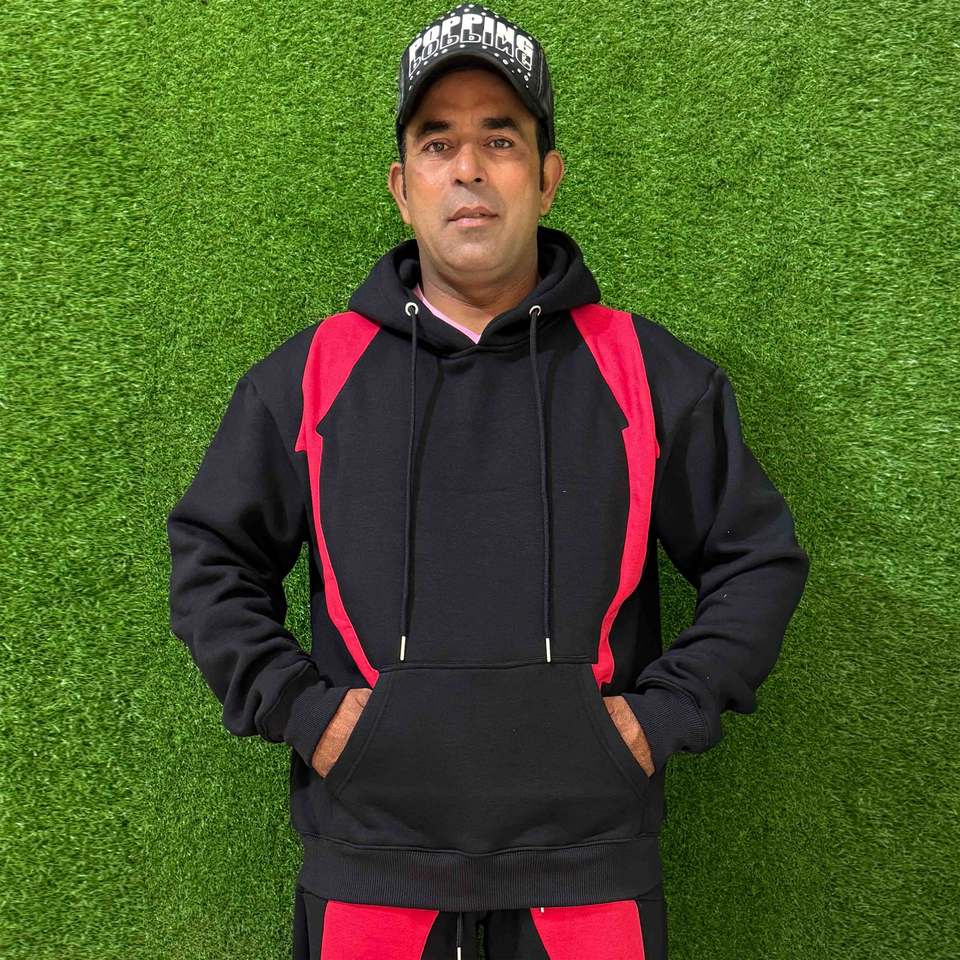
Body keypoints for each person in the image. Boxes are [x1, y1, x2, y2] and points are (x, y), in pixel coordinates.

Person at [165, 4, 811, 958]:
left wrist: (659, 717)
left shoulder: (649, 374)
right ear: (403, 187)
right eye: (438, 142)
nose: (468, 167)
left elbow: (758, 561)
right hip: (371, 875)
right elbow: (210, 560)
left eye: (500, 138)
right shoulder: (309, 378)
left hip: (589, 877)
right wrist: (309, 714)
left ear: (546, 177)